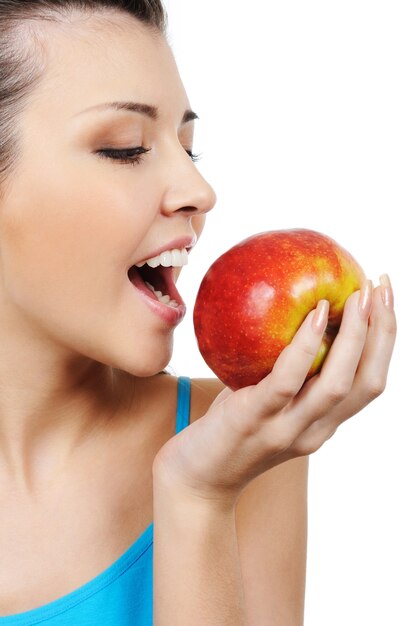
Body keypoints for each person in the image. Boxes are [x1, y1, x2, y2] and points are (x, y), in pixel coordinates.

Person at [0, 1, 397, 624]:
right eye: (127, 149)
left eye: (188, 148)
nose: (200, 192)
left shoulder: (241, 437)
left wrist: (200, 497)